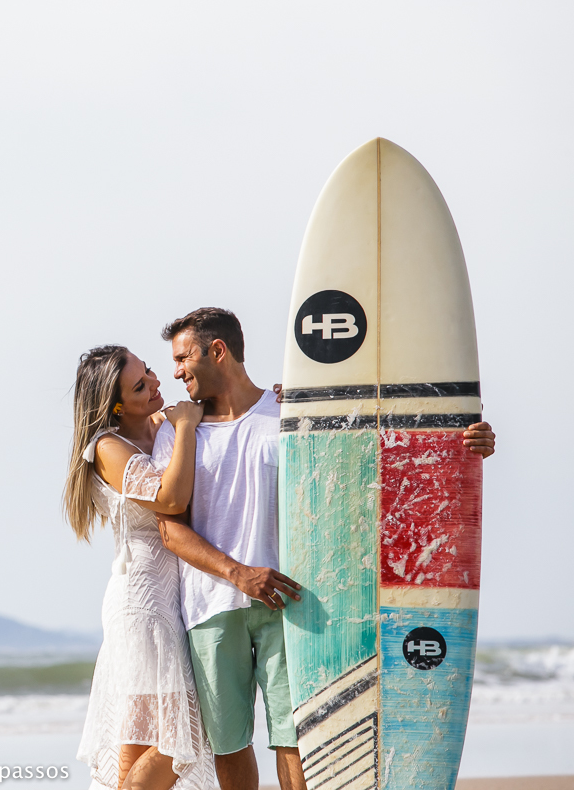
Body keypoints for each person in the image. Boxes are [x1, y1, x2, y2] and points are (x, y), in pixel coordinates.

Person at [153, 308, 496, 790]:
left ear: (218, 351)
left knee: (293, 735)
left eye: (182, 357)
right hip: (211, 603)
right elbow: (170, 527)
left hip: (289, 601)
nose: (175, 371)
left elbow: (375, 456)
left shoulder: (289, 415)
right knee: (228, 744)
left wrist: (464, 443)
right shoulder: (177, 429)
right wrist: (237, 573)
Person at [64, 345, 217, 790]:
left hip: (171, 600)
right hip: (142, 604)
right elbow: (170, 500)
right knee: (180, 735)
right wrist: (186, 425)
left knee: (147, 743)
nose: (154, 382)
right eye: (139, 385)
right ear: (115, 406)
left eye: (148, 371)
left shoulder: (157, 428)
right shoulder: (108, 447)